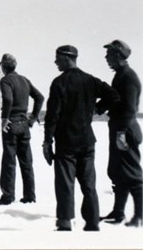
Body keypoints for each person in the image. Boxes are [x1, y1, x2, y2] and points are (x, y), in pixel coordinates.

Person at [43, 45, 119, 231]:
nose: (55, 62)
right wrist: (98, 109)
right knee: (89, 185)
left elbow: (52, 116)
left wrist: (47, 142)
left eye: (58, 58)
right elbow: (114, 96)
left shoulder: (59, 83)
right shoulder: (90, 80)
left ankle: (65, 222)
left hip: (66, 142)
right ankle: (92, 222)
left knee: (65, 184)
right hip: (87, 141)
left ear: (67, 58)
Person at [0, 53, 44, 205]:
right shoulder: (25, 80)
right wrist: (32, 118)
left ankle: (8, 196)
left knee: (9, 161)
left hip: (12, 124)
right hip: (24, 125)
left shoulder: (6, 80)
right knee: (26, 162)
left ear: (3, 67)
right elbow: (40, 97)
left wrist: (4, 118)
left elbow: (8, 99)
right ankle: (30, 196)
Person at [100, 40, 142, 227]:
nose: (106, 58)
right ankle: (118, 213)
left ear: (118, 55)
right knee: (118, 172)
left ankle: (140, 217)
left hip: (126, 130)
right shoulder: (120, 75)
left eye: (109, 54)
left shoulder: (128, 77)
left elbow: (130, 109)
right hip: (119, 129)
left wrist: (122, 133)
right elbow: (113, 100)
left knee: (132, 173)